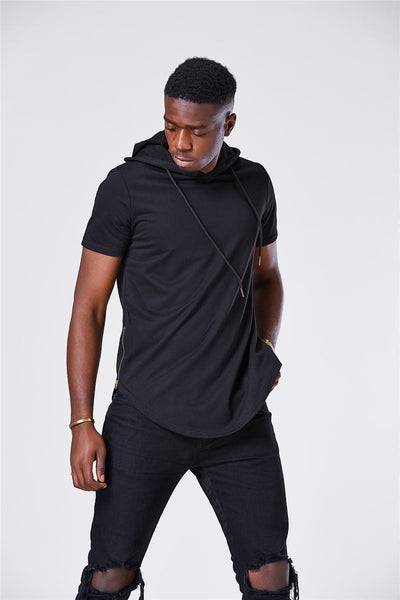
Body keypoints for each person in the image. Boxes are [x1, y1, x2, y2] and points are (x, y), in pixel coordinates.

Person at [67, 56, 299, 600]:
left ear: (228, 123)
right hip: (145, 414)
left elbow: (268, 278)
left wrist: (265, 349)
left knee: (270, 573)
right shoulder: (127, 187)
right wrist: (81, 421)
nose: (180, 142)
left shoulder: (254, 185)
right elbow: (88, 308)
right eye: (171, 125)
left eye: (197, 130)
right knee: (110, 574)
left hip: (238, 415)